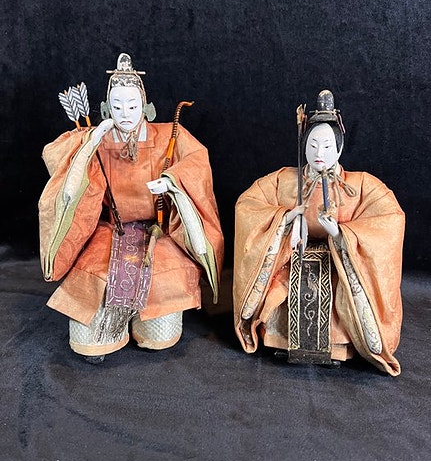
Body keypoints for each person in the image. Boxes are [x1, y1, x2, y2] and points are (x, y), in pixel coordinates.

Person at [39, 53, 224, 363]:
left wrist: (172, 182)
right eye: (118, 106)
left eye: (132, 105)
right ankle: (108, 330)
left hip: (158, 235)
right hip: (111, 231)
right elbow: (63, 169)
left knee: (160, 325)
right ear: (106, 107)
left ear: (145, 106)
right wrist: (90, 143)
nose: (125, 113)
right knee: (91, 316)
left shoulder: (168, 136)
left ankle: (148, 322)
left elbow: (196, 165)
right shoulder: (96, 138)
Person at [233, 90, 405, 375]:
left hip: (340, 266)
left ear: (339, 148)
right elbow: (248, 205)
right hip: (292, 258)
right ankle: (282, 340)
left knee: (340, 299)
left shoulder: (362, 186)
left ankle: (337, 346)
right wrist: (286, 219)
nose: (319, 154)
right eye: (312, 146)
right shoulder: (284, 180)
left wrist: (341, 234)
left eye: (326, 146)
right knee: (280, 293)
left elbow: (389, 221)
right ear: (303, 146)